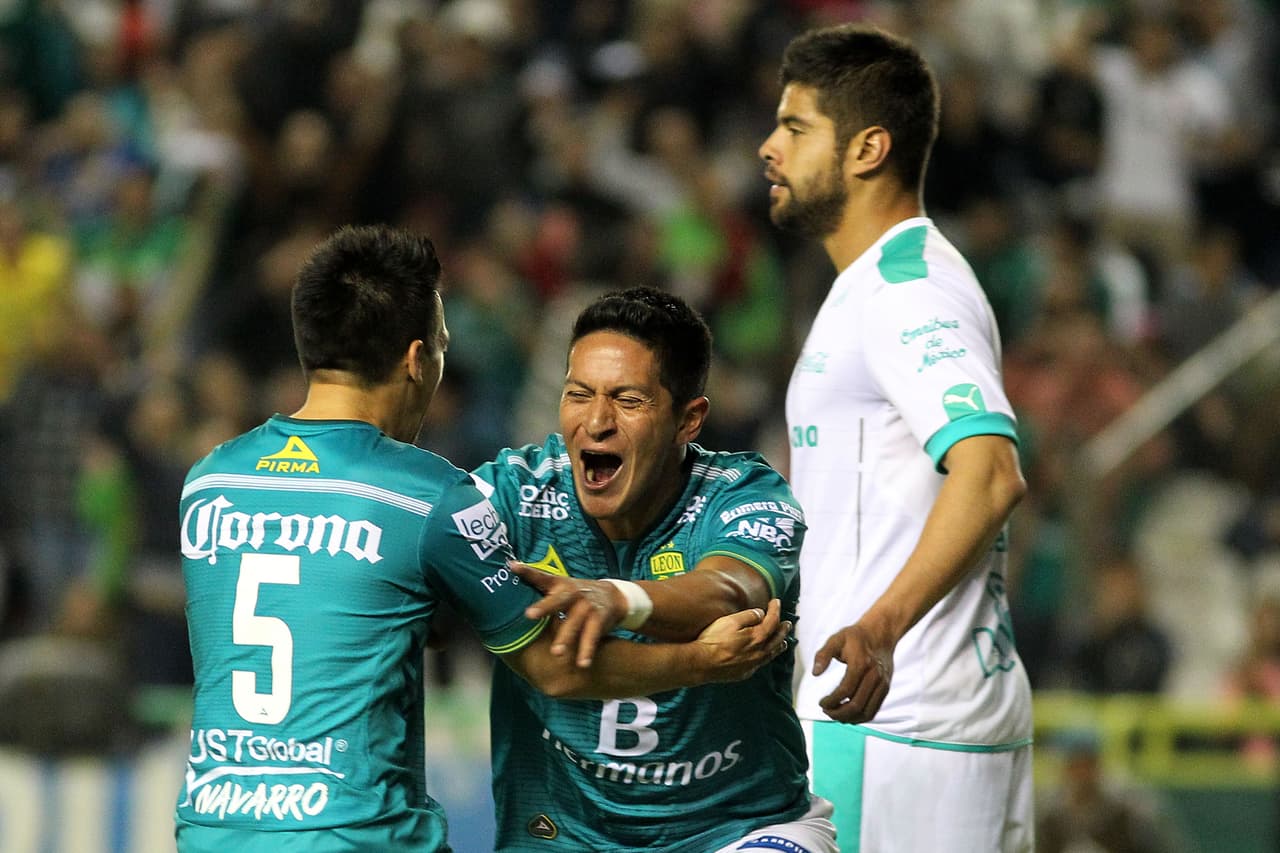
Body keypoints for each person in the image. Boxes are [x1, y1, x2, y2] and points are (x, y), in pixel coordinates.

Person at [174, 226, 789, 853]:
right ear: (417, 360)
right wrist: (698, 661)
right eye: (441, 345)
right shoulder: (430, 496)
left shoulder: (209, 480)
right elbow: (552, 664)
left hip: (213, 827)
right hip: (357, 835)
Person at [757, 24, 1032, 851]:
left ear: (867, 148)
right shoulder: (870, 285)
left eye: (796, 128)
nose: (769, 149)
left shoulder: (906, 290)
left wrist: (879, 628)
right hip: (912, 723)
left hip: (896, 726)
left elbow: (989, 472)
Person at [477, 286, 837, 852]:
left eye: (628, 400)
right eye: (578, 394)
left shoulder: (746, 494)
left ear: (688, 420)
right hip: (563, 838)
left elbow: (732, 591)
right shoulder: (510, 493)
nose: (596, 422)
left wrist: (618, 599)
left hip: (737, 831)